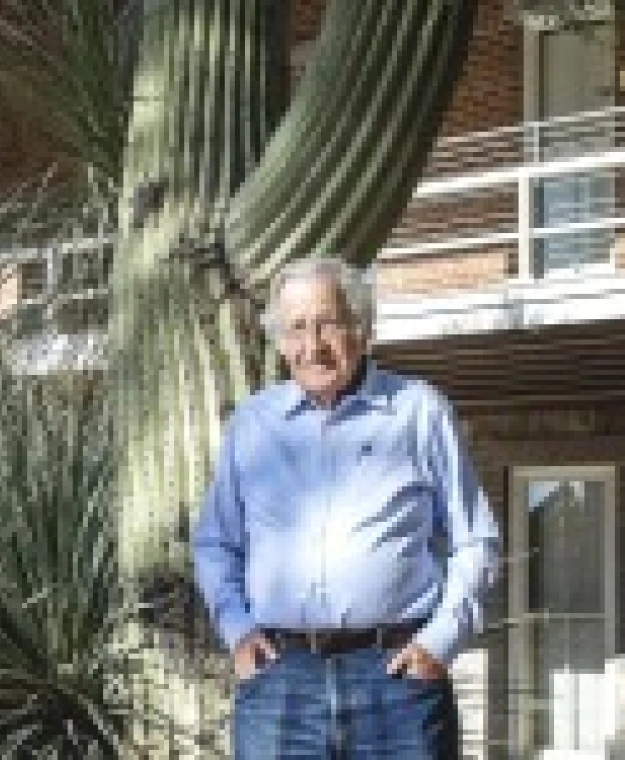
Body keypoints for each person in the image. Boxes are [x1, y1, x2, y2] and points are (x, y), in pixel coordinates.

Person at [193, 257, 500, 759]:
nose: (312, 346)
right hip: (280, 681)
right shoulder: (252, 424)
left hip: (395, 680)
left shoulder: (418, 411)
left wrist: (441, 641)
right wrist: (237, 631)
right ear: (278, 340)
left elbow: (475, 539)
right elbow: (215, 542)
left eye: (327, 324)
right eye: (296, 328)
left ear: (361, 328)